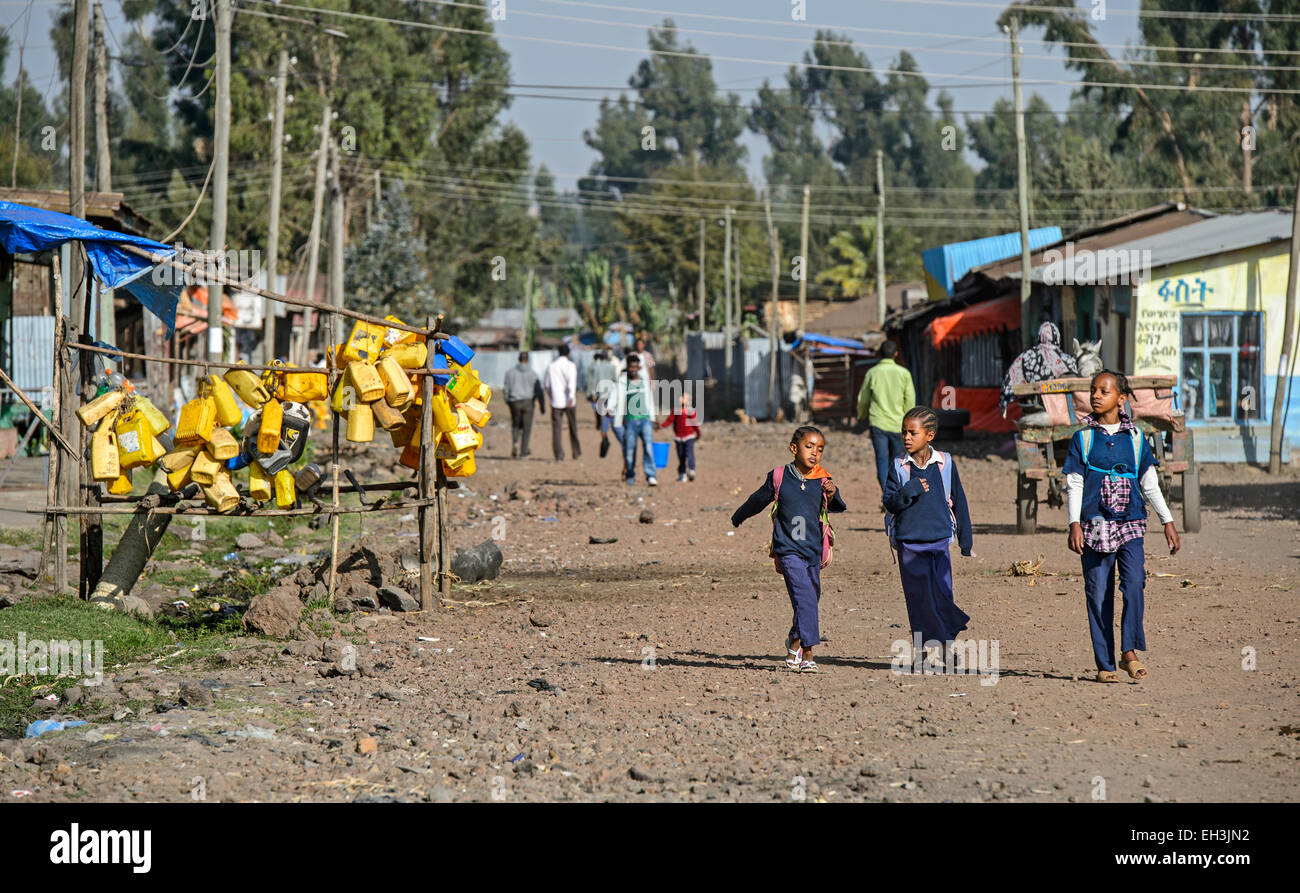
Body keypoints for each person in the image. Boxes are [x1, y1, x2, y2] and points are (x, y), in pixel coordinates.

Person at [1063, 370, 1179, 684]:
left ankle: (1128, 651)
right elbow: (1074, 483)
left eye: (1105, 391)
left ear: (1122, 399)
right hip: (1095, 525)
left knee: (1135, 582)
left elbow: (1150, 484)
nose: (1096, 395)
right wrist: (1074, 522)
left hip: (1131, 523)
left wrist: (1167, 520)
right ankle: (1105, 664)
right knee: (1098, 592)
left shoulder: (1137, 438)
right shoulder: (1083, 438)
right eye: (1093, 390)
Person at [731, 426, 846, 672]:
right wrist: (739, 516)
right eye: (809, 447)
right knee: (804, 598)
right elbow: (757, 500)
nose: (815, 453)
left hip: (812, 550)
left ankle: (794, 641)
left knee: (810, 599)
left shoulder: (822, 478)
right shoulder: (780, 476)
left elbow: (836, 506)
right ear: (794, 448)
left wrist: (833, 493)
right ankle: (808, 653)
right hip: (788, 550)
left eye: (820, 449)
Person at [882, 405, 974, 671]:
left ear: (930, 435)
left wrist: (965, 540)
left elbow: (959, 500)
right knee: (918, 599)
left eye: (913, 432)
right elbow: (889, 502)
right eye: (904, 433)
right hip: (909, 543)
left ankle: (947, 648)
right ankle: (922, 652)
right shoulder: (899, 467)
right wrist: (909, 490)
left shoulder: (945, 463)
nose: (906, 438)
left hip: (940, 540)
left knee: (943, 595)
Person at [857, 340, 915, 500]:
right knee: (897, 461)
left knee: (882, 461)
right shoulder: (904, 373)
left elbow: (863, 400)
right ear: (895, 354)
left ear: (880, 354)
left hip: (878, 423)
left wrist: (861, 416)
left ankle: (887, 495)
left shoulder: (872, 373)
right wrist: (909, 422)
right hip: (898, 425)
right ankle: (894, 494)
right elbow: (910, 400)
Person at [999, 321, 1079, 419]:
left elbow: (1009, 380)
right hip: (1063, 408)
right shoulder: (1067, 360)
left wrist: (1006, 401)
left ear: (1039, 337)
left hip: (1035, 407)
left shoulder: (1026, 357)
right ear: (1057, 338)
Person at [614, 353, 656, 486]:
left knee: (648, 447)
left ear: (639, 367)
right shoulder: (622, 382)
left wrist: (653, 418)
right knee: (630, 450)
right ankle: (630, 476)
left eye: (635, 367)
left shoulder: (644, 382)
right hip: (630, 421)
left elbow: (649, 400)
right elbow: (616, 397)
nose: (633, 369)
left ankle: (651, 475)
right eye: (630, 367)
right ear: (628, 367)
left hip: (645, 420)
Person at [503, 351, 546, 458]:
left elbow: (506, 389)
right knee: (527, 428)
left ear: (518, 359)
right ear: (527, 360)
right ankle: (523, 453)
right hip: (528, 402)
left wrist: (508, 401)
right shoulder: (533, 374)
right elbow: (538, 391)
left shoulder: (510, 373)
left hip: (514, 402)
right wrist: (542, 405)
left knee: (515, 425)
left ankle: (516, 443)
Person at [543, 343, 580, 461]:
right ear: (568, 353)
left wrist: (551, 396)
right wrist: (571, 397)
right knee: (573, 427)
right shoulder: (571, 365)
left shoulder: (551, 366)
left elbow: (547, 385)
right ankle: (576, 452)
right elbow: (572, 383)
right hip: (569, 402)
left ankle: (559, 455)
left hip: (556, 402)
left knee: (556, 430)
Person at [659, 392, 702, 482]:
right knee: (681, 456)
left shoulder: (690, 412)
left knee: (689, 453)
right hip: (679, 438)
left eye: (683, 397)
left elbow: (694, 424)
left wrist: (698, 434)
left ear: (688, 402)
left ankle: (691, 470)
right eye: (681, 396)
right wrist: (660, 426)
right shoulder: (676, 411)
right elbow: (669, 421)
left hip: (689, 437)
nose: (681, 398)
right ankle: (682, 473)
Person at [587, 350, 619, 458]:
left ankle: (604, 434)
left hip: (601, 393)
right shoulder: (612, 367)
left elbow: (595, 381)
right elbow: (615, 380)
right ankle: (605, 432)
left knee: (604, 414)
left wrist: (593, 393)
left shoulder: (597, 367)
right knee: (609, 414)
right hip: (610, 394)